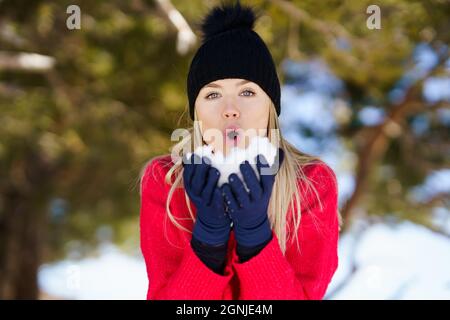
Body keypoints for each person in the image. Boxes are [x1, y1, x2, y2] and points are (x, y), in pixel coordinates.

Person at [139, 2, 341, 300]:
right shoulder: (166, 181)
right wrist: (208, 239)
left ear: (270, 105)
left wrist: (255, 236)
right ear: (196, 111)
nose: (230, 110)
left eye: (247, 92)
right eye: (212, 94)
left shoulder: (312, 184)